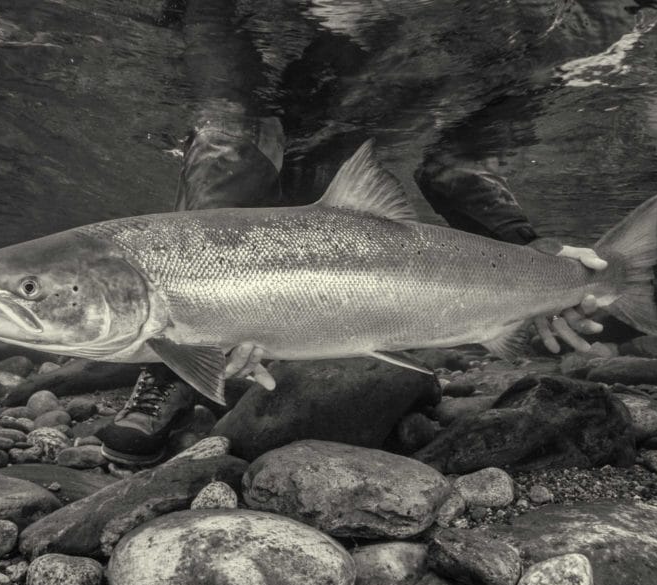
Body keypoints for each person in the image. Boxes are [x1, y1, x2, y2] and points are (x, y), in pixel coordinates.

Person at [97, 0, 609, 466]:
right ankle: (170, 367)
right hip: (272, 80)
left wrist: (534, 257)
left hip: (361, 98)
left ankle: (187, 345)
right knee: (224, 135)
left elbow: (459, 165)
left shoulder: (488, 36)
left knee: (318, 142)